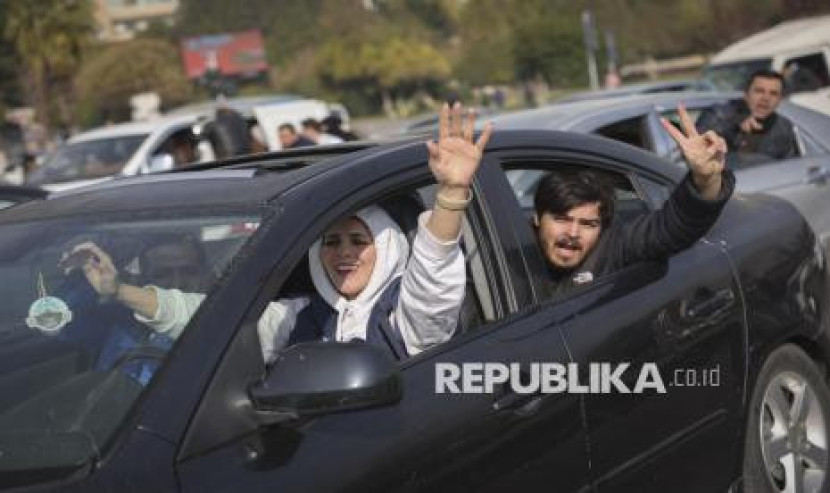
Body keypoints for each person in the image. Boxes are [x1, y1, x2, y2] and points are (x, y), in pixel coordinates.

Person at [66, 103, 493, 363]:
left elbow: (433, 281)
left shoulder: (407, 315)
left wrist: (452, 192)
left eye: (359, 242)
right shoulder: (299, 315)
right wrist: (120, 290)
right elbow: (204, 317)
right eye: (332, 241)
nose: (344, 254)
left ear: (386, 247)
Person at [534, 105, 735, 295]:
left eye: (588, 224)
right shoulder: (508, 252)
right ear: (536, 217)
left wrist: (706, 179)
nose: (573, 233)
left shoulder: (613, 248)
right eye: (561, 219)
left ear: (602, 226)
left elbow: (672, 227)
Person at [696, 69, 797, 162]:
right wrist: (737, 130)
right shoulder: (718, 115)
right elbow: (699, 150)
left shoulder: (784, 127)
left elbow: (789, 166)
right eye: (759, 91)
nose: (766, 98)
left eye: (773, 94)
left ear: (780, 100)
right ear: (746, 95)